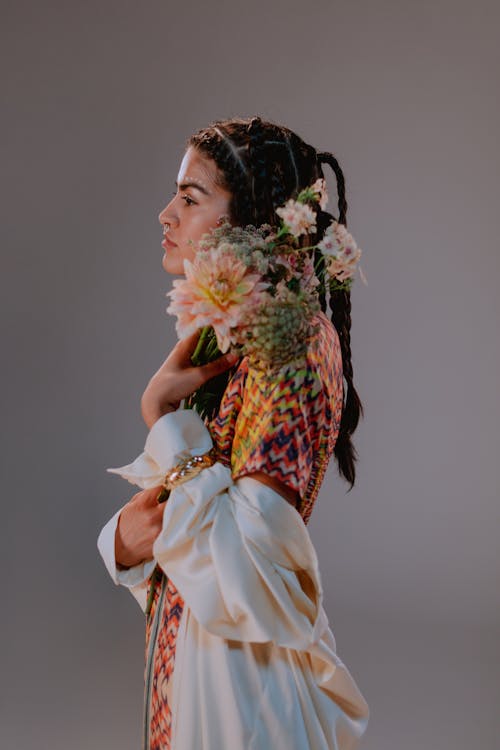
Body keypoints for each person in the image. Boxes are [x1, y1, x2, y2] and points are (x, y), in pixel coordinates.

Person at [97, 116, 370, 750]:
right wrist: (121, 540)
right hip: (200, 658)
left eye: (190, 199)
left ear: (249, 221)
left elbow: (251, 572)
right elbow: (181, 523)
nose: (166, 214)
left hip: (243, 689)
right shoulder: (239, 339)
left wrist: (164, 420)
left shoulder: (294, 345)